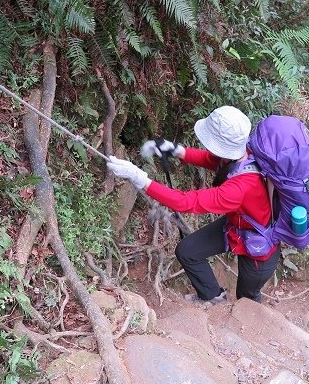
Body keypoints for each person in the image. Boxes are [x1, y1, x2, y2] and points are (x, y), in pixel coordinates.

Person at [107, 106, 280, 304]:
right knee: (187, 251)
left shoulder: (239, 188)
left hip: (259, 250)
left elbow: (185, 202)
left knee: (246, 301)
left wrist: (140, 178)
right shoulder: (245, 153)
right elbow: (211, 159)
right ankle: (213, 298)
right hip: (235, 227)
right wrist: (176, 150)